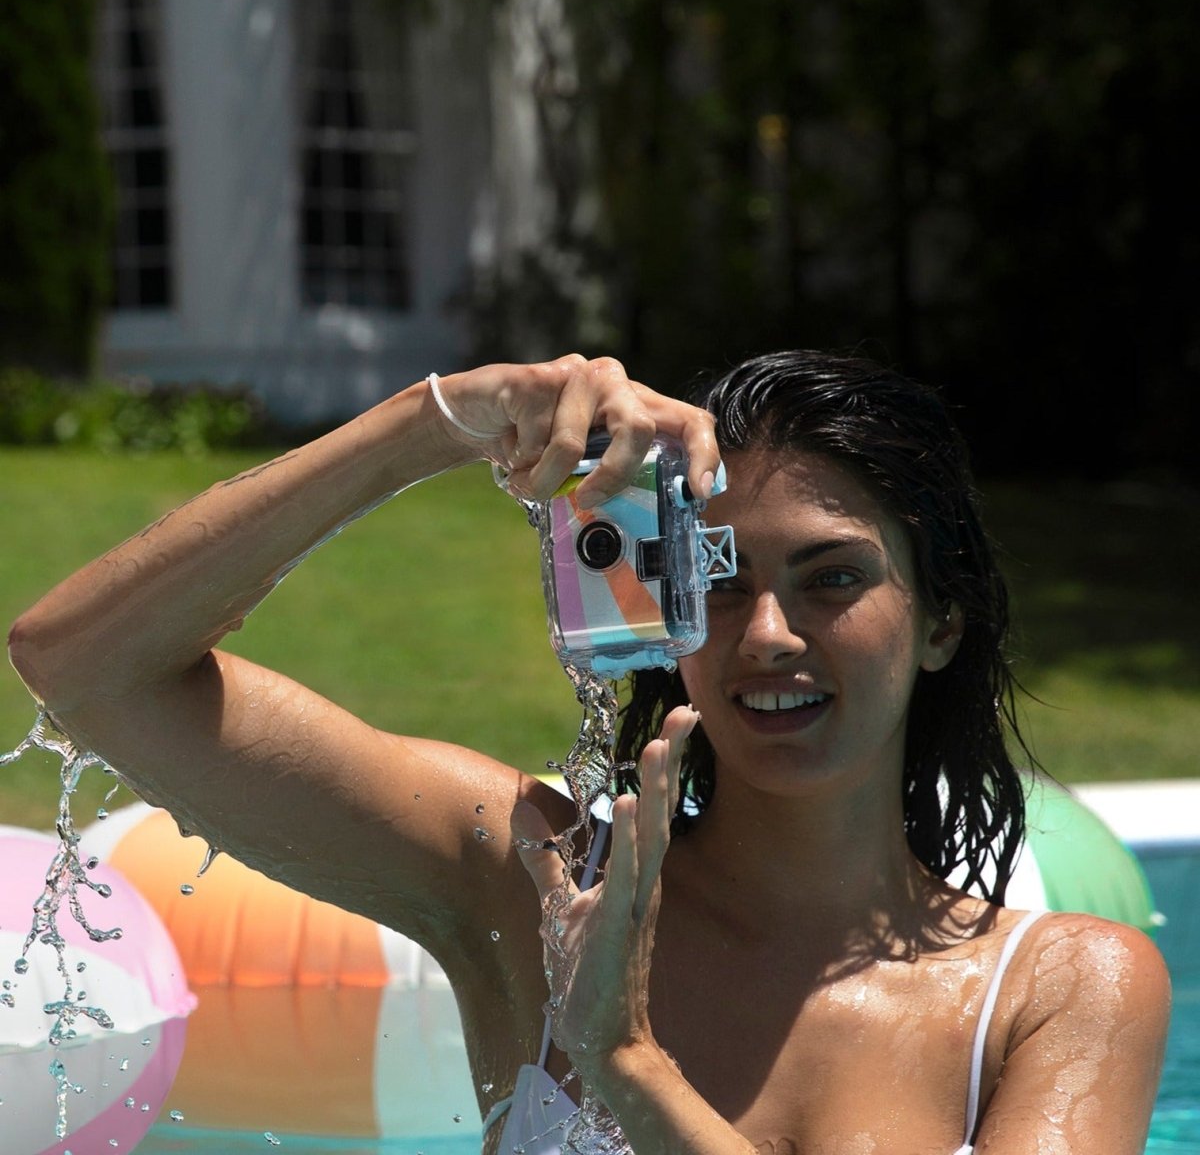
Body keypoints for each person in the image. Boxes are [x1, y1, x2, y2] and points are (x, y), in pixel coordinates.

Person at [7, 352, 1170, 1155]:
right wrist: (431, 422)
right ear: (664, 608)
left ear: (942, 620)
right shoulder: (535, 884)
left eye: (833, 578)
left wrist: (625, 1059)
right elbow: (87, 666)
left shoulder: (1063, 992)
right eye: (715, 578)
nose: (769, 635)